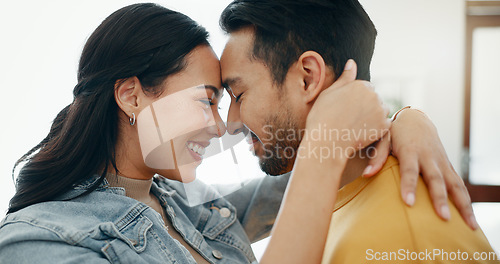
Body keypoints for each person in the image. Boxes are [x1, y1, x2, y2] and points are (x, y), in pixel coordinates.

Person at [0, 3, 476, 264]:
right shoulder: (38, 241)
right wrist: (324, 143)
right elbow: (307, 174)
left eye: (229, 97)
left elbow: (289, 181)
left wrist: (407, 121)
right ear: (131, 97)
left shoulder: (189, 204)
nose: (222, 123)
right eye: (208, 98)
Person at [218, 0, 497, 263]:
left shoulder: (407, 235)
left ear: (307, 78)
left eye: (239, 95)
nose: (228, 124)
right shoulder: (321, 200)